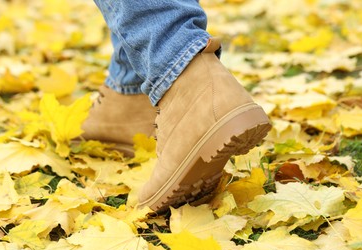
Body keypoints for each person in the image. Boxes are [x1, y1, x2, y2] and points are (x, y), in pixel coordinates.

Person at [83, 0, 272, 212]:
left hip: (183, 71)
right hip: (130, 92)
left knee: (168, 40)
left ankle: (184, 71)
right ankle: (131, 95)